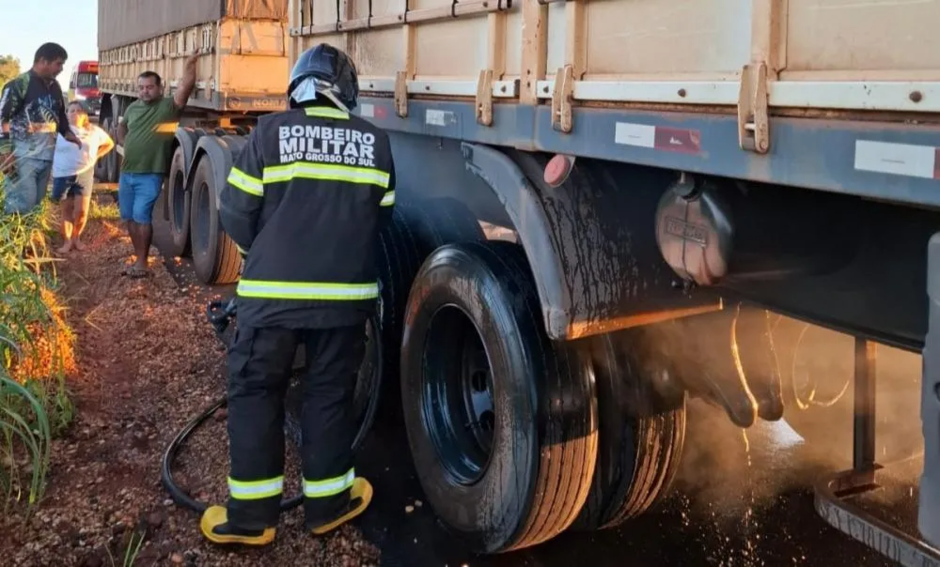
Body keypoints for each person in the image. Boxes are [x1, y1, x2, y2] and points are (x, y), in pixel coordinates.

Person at [203, 44, 396, 546]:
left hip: (271, 299)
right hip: (346, 302)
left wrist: (264, 254)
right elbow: (382, 217)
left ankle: (251, 520)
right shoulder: (376, 142)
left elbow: (237, 212)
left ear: (299, 87)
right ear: (346, 92)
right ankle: (328, 506)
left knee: (255, 392)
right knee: (329, 394)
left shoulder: (270, 132)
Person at [116, 54, 198, 278]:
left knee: (141, 216)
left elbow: (185, 87)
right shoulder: (133, 108)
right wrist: (123, 141)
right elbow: (121, 126)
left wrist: (191, 65)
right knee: (129, 218)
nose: (144, 91)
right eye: (141, 87)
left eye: (150, 87)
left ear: (160, 88)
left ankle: (143, 263)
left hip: (150, 174)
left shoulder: (168, 107)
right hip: (127, 174)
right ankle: (138, 258)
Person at [0, 43, 82, 214]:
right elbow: (2, 118)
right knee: (21, 205)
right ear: (43, 61)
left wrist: (67, 133)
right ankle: (15, 240)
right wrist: (5, 153)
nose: (61, 69)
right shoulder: (19, 85)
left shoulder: (55, 87)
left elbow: (59, 115)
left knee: (36, 206)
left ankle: (30, 240)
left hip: (45, 156)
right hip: (22, 157)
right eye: (58, 64)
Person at [51, 101, 114, 253]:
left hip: (85, 174)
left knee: (81, 211)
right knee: (66, 210)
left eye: (79, 110)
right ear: (66, 114)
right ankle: (66, 242)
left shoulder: (94, 131)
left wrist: (96, 156)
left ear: (85, 114)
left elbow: (109, 144)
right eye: (71, 110)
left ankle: (76, 238)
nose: (75, 113)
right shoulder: (59, 130)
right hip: (63, 174)